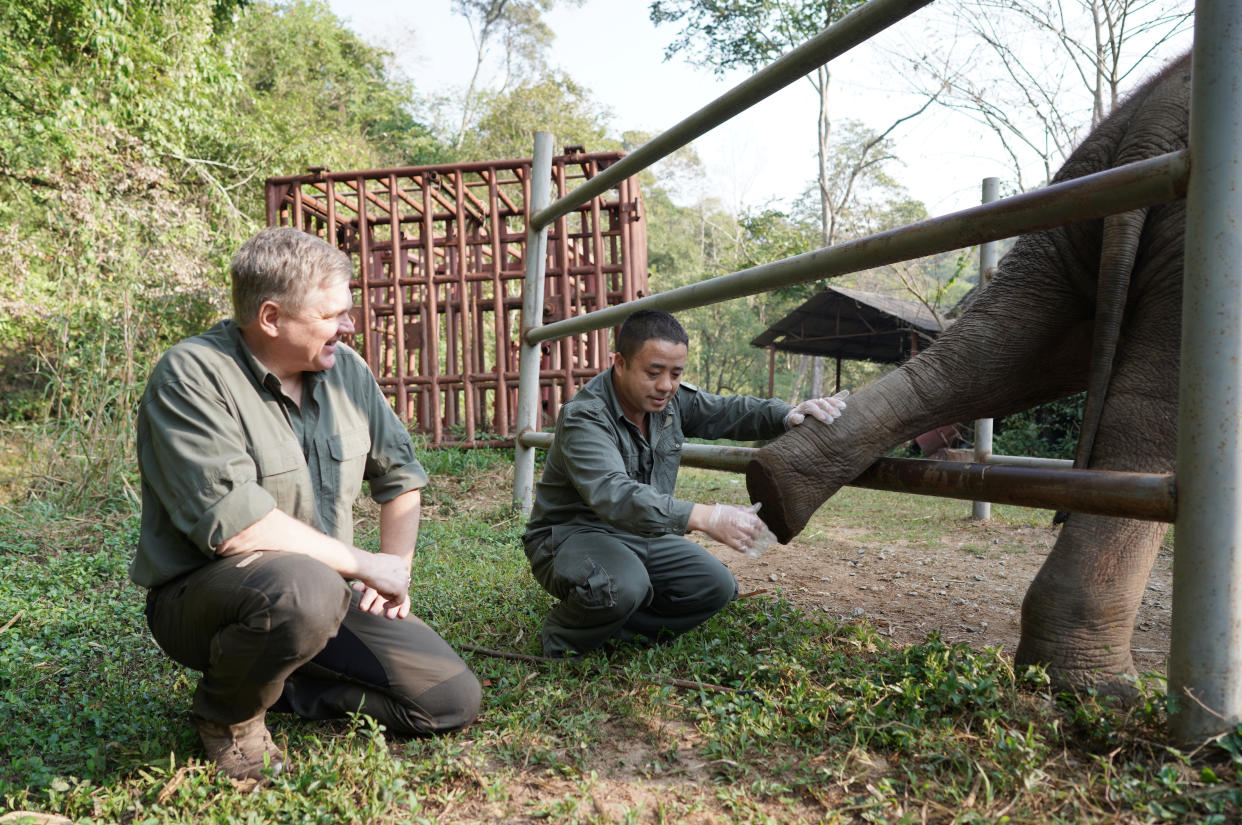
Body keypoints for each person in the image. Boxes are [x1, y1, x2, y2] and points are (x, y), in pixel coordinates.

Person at [132, 227, 481, 781]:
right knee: (306, 586)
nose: (349, 326)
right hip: (204, 598)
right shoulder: (192, 375)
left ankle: (286, 685)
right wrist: (364, 563)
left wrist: (393, 573)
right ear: (271, 318)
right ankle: (229, 716)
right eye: (333, 315)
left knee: (448, 699)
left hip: (322, 598)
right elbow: (237, 528)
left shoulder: (347, 371)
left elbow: (401, 478)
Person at [522, 309, 846, 658]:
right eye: (653, 372)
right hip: (573, 535)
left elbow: (728, 411)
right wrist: (708, 517)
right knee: (623, 585)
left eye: (676, 373)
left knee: (715, 586)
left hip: (640, 532)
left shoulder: (671, 402)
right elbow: (614, 494)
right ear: (619, 363)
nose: (666, 385)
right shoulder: (585, 416)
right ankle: (562, 639)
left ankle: (617, 630)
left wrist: (788, 413)